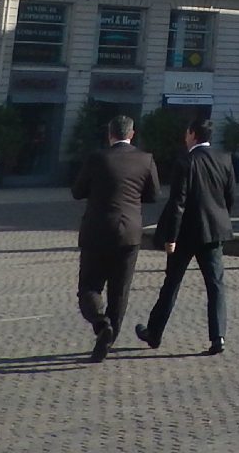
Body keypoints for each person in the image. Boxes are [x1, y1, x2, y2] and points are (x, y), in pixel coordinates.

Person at [136, 117, 237, 355]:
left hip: (186, 234)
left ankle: (154, 333)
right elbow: (230, 196)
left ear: (192, 134)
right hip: (213, 232)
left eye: (187, 133)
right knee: (215, 285)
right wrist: (220, 218)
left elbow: (178, 203)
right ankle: (218, 336)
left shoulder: (186, 162)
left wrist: (170, 237)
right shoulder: (224, 159)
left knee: (172, 283)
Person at [70, 114, 162, 362]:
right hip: (129, 232)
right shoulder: (145, 159)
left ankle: (102, 324)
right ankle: (108, 340)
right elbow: (153, 195)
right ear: (132, 134)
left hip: (97, 230)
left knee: (89, 287)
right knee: (119, 291)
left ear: (109, 134)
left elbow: (77, 191)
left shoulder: (97, 158)